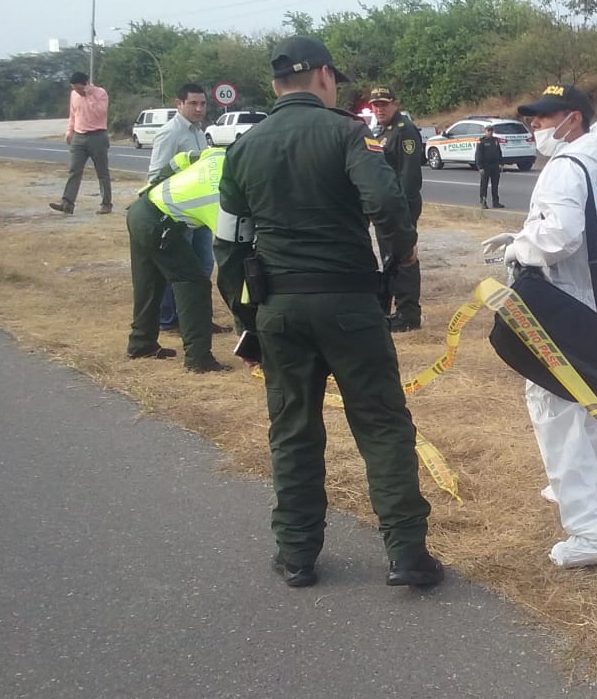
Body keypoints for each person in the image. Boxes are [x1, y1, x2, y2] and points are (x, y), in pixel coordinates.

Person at [214, 36, 442, 589]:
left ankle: (296, 555)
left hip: (279, 311)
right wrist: (402, 250)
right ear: (322, 76)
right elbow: (386, 203)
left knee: (292, 431)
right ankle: (407, 555)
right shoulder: (348, 132)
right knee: (382, 425)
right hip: (350, 306)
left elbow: (229, 246)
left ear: (274, 86)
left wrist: (247, 323)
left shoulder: (245, 146)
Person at [480, 83, 597, 569]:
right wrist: (525, 233)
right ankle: (593, 492)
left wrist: (518, 248)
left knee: (556, 412)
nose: (536, 127)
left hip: (564, 309)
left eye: (543, 119)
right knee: (585, 409)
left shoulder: (564, 168)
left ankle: (593, 529)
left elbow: (561, 236)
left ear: (573, 119)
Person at [126, 148, 232, 373]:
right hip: (159, 225)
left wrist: (156, 185)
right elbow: (228, 249)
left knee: (149, 283)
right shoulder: (219, 197)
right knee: (193, 283)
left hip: (141, 208)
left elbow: (180, 159)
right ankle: (198, 358)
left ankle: (141, 343)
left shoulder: (219, 155)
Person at [147, 83, 228, 336]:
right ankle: (171, 319)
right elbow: (156, 174)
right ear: (179, 104)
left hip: (199, 212)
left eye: (203, 104)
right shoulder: (170, 133)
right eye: (193, 103)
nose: (199, 108)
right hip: (179, 213)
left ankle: (199, 317)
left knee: (204, 264)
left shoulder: (198, 131)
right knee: (180, 269)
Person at [368, 84, 426, 332]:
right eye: (375, 105)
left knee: (404, 259)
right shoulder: (382, 132)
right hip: (387, 208)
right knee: (390, 260)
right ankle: (395, 310)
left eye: (384, 104)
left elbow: (409, 176)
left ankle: (409, 314)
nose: (379, 109)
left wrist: (403, 214)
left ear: (395, 104)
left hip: (401, 207)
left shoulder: (405, 131)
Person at [50, 72, 113, 216]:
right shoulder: (73, 95)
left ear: (86, 84)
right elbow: (73, 114)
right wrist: (69, 131)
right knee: (74, 170)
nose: (76, 91)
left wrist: (89, 96)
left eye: (78, 88)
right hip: (79, 136)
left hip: (97, 135)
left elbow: (100, 113)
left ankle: (106, 203)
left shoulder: (100, 93)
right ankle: (67, 203)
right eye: (74, 88)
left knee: (102, 172)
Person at [474, 124, 504, 209]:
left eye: (491, 130)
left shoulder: (495, 140)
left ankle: (496, 202)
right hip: (485, 166)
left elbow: (499, 152)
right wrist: (480, 167)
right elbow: (478, 155)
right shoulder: (481, 141)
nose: (490, 132)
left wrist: (501, 163)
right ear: (485, 131)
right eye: (488, 130)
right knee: (484, 185)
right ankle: (483, 202)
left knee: (495, 185)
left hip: (495, 165)